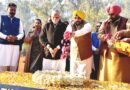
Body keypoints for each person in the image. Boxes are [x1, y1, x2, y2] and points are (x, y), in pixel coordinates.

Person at [98, 5, 130, 83]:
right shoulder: (105, 22)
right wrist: (104, 37)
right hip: (107, 52)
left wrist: (123, 32)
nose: (110, 16)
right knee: (106, 75)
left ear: (118, 13)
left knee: (120, 75)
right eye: (109, 14)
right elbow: (99, 34)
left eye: (112, 14)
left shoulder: (126, 21)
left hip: (121, 53)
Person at [66, 10, 93, 79]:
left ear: (82, 18)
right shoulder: (71, 25)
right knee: (73, 74)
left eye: (79, 18)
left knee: (84, 75)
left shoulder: (87, 25)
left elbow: (83, 31)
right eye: (75, 18)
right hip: (74, 53)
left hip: (85, 54)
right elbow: (68, 31)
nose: (77, 19)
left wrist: (73, 33)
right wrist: (67, 34)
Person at [0, 3, 24, 71]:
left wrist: (16, 38)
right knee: (2, 65)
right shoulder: (1, 18)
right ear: (7, 9)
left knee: (13, 67)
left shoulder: (19, 21)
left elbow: (21, 33)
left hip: (15, 46)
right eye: (11, 9)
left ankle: (12, 81)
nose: (13, 11)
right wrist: (6, 37)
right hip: (3, 45)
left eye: (14, 10)